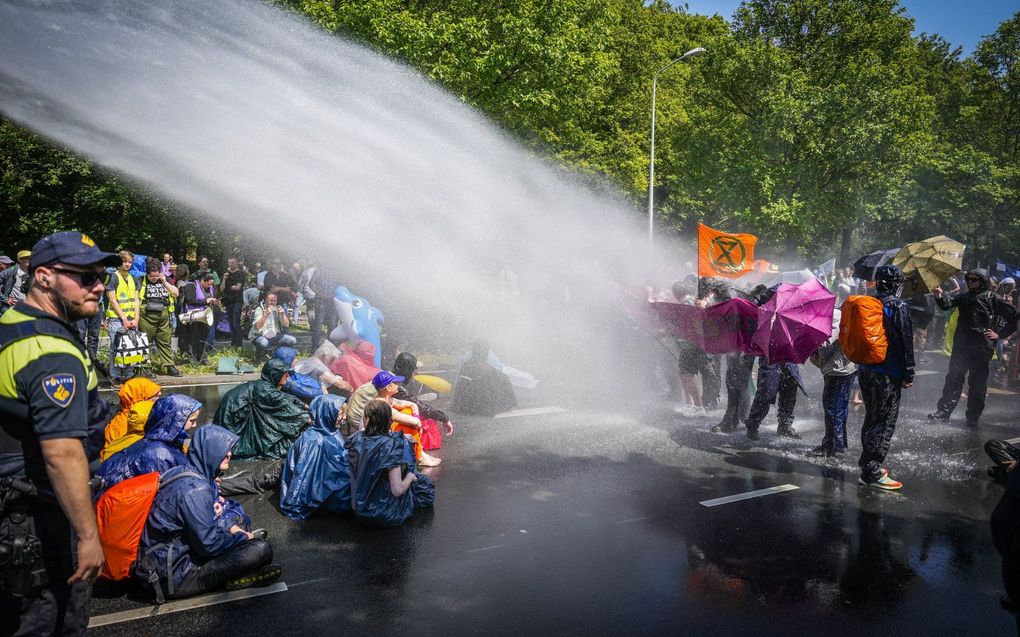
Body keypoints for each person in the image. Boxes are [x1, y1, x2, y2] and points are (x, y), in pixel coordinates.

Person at [0, 231, 120, 635]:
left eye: (100, 276)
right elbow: (62, 453)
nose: (99, 286)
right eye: (85, 277)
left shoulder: (13, 324)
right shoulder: (52, 352)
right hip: (40, 520)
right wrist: (88, 536)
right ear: (45, 277)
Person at [135, 425, 280, 601]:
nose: (229, 454)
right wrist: (244, 538)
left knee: (238, 521)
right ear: (210, 451)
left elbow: (205, 521)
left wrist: (232, 528)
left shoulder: (184, 471)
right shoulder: (195, 490)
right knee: (261, 549)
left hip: (166, 557)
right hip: (172, 576)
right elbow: (208, 544)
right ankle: (231, 579)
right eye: (223, 450)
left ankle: (234, 570)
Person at [929, 269, 1014, 427]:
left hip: (981, 348)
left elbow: (1013, 318)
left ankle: (973, 416)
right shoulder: (964, 296)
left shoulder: (993, 298)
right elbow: (947, 304)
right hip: (961, 346)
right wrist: (939, 296)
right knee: (953, 379)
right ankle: (944, 411)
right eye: (969, 279)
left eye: (974, 280)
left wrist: (999, 334)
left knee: (977, 384)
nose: (970, 282)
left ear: (983, 281)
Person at [857, 265, 914, 490]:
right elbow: (905, 341)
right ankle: (872, 471)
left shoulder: (869, 302)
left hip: (865, 369)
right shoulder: (897, 305)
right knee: (884, 421)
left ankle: (867, 465)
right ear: (898, 284)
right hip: (888, 372)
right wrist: (909, 372)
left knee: (872, 417)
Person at [345, 399, 435, 527]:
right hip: (385, 514)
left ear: (366, 418)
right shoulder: (390, 447)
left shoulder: (357, 438)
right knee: (425, 484)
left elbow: (374, 438)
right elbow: (397, 490)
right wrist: (410, 477)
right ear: (389, 420)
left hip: (359, 508)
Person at [96, 394, 201, 492]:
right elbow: (164, 492)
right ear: (176, 420)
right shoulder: (159, 454)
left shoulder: (155, 442)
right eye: (192, 420)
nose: (195, 425)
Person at [215, 359, 308, 459]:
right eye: (285, 373)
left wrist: (305, 406)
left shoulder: (261, 385)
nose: (288, 375)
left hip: (225, 431)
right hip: (233, 434)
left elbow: (287, 398)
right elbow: (297, 414)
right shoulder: (266, 390)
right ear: (275, 375)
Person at [279, 394, 352, 520]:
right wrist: (295, 503)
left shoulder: (330, 430)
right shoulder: (314, 441)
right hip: (323, 489)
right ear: (327, 413)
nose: (344, 418)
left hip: (327, 480)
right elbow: (302, 478)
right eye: (340, 414)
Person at [807, 307, 857, 457]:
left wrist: (808, 339)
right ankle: (837, 443)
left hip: (839, 369)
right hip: (840, 367)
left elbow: (826, 341)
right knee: (838, 408)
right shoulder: (835, 314)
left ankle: (833, 447)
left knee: (833, 408)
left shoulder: (835, 315)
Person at [139, 257, 182, 377]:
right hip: (146, 316)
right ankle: (146, 367)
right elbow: (135, 299)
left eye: (156, 276)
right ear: (147, 274)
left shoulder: (165, 279)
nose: (154, 279)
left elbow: (175, 293)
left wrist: (164, 282)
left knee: (165, 342)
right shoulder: (141, 280)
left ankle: (169, 366)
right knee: (145, 342)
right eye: (151, 276)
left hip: (164, 315)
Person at [101, 377, 161, 458]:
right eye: (154, 394)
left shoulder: (135, 418)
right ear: (139, 400)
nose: (160, 394)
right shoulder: (124, 426)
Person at [105, 250, 141, 387]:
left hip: (132, 318)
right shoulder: (113, 277)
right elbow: (113, 301)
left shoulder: (134, 279)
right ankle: (115, 376)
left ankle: (128, 375)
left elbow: (136, 300)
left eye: (130, 262)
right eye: (124, 261)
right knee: (116, 348)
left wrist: (136, 318)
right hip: (117, 319)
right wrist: (124, 319)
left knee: (131, 347)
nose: (127, 264)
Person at [179, 272, 219, 364]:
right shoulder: (192, 286)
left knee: (203, 337)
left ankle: (202, 358)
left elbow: (209, 300)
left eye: (211, 284)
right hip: (194, 316)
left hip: (206, 316)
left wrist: (213, 302)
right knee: (193, 338)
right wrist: (205, 301)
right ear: (202, 281)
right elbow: (190, 300)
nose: (210, 286)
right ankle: (192, 359)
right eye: (208, 284)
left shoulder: (210, 288)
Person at [250, 292, 297, 362]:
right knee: (263, 343)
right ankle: (258, 359)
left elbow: (286, 325)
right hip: (260, 336)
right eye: (270, 301)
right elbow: (258, 327)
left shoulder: (278, 309)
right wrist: (266, 314)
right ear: (266, 300)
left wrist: (283, 314)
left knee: (292, 340)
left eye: (275, 301)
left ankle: (276, 355)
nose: (273, 303)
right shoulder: (259, 309)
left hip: (274, 336)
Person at [221, 257, 247, 348]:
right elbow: (222, 288)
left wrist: (229, 287)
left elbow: (238, 288)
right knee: (231, 324)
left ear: (236, 263)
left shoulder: (240, 273)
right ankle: (233, 344)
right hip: (228, 301)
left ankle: (239, 344)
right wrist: (224, 279)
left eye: (232, 262)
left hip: (237, 301)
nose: (230, 264)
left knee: (236, 323)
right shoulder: (226, 274)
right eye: (229, 262)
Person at [0, 249, 31, 315]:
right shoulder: (10, 272)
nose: (30, 259)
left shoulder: (33, 272)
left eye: (31, 258)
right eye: (27, 258)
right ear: (19, 260)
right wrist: (5, 299)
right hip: (12, 309)